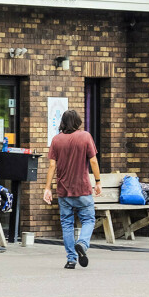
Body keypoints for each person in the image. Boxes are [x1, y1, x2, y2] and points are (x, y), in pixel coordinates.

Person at [42, 109, 102, 270]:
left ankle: (71, 260)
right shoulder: (85, 136)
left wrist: (47, 188)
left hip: (63, 190)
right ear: (77, 122)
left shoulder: (56, 140)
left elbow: (52, 166)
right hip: (82, 188)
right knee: (88, 220)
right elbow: (93, 161)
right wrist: (97, 181)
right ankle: (82, 243)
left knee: (67, 224)